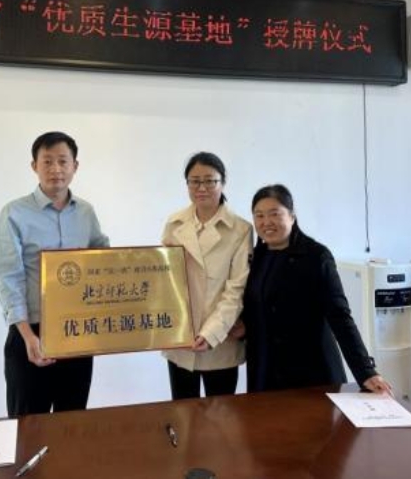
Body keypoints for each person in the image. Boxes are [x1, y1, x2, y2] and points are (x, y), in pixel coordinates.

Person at [0, 131, 109, 416]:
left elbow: (103, 260)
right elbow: (9, 278)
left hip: (77, 332)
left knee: (72, 422)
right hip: (32, 334)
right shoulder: (14, 213)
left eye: (62, 161)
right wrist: (27, 336)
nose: (55, 169)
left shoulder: (85, 212)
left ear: (75, 166)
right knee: (27, 425)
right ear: (34, 166)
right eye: (47, 161)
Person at [239, 184, 392, 395]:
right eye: (259, 216)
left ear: (292, 216)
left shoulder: (316, 256)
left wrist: (366, 371)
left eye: (275, 214)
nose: (266, 222)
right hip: (265, 372)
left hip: (312, 371)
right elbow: (254, 307)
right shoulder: (256, 258)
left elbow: (340, 316)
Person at [161, 152, 253, 399]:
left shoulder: (240, 229)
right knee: (182, 412)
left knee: (220, 415)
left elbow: (236, 290)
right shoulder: (174, 223)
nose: (201, 188)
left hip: (222, 339)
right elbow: (165, 281)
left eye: (210, 181)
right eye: (194, 181)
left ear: (223, 183)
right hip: (181, 339)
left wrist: (211, 333)